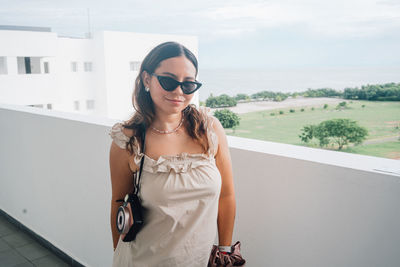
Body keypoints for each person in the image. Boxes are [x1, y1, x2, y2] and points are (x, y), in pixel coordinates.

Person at [108, 41, 236, 266]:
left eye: (188, 85)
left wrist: (225, 251)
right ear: (147, 79)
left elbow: (226, 196)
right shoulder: (128, 140)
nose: (178, 91)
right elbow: (118, 203)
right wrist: (117, 254)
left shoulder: (210, 130)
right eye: (168, 81)